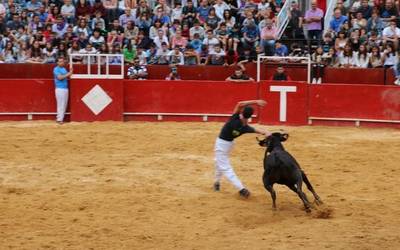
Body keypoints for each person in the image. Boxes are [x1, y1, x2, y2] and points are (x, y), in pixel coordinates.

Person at [214, 100, 270, 198]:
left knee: (225, 167)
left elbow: (240, 103)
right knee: (219, 163)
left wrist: (256, 102)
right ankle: (217, 182)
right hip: (229, 145)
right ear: (250, 117)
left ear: (242, 113)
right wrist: (266, 132)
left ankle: (241, 189)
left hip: (221, 144)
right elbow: (257, 130)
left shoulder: (234, 118)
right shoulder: (245, 127)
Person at [53, 57, 73, 124]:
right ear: (57, 62)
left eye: (62, 61)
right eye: (60, 61)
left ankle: (61, 118)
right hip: (59, 88)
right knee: (61, 104)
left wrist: (70, 73)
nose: (61, 62)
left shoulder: (64, 69)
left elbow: (68, 76)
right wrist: (69, 73)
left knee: (64, 104)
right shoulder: (56, 69)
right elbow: (60, 77)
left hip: (65, 88)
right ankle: (59, 119)